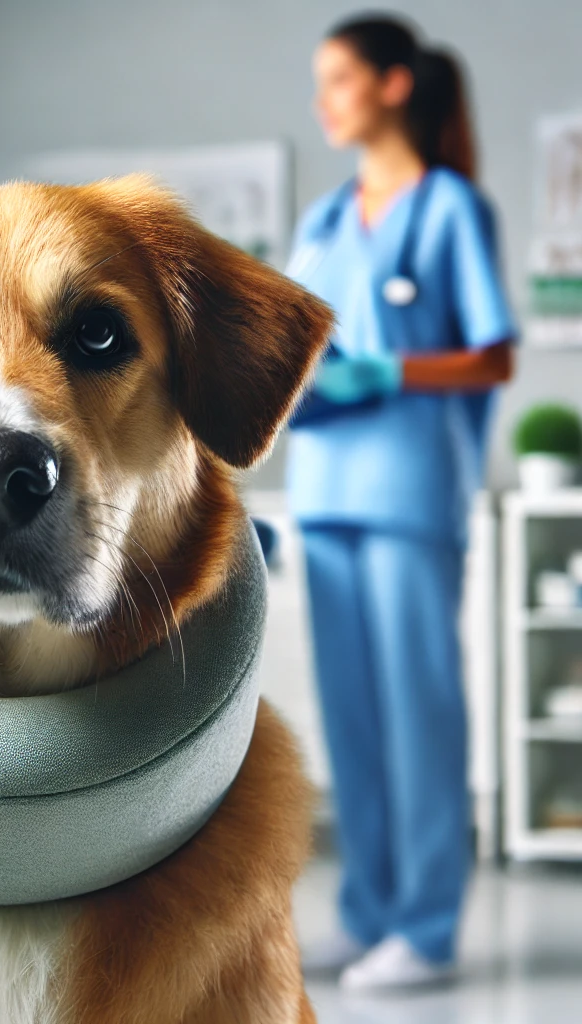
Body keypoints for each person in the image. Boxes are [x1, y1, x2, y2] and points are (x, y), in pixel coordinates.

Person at [286, 15, 515, 992]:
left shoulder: (451, 205)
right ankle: (367, 911)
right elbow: (291, 347)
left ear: (390, 85)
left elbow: (493, 352)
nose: (322, 100)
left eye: (337, 79)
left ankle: (423, 925)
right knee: (351, 719)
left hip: (408, 493)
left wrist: (385, 370)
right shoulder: (325, 224)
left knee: (417, 714)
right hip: (324, 491)